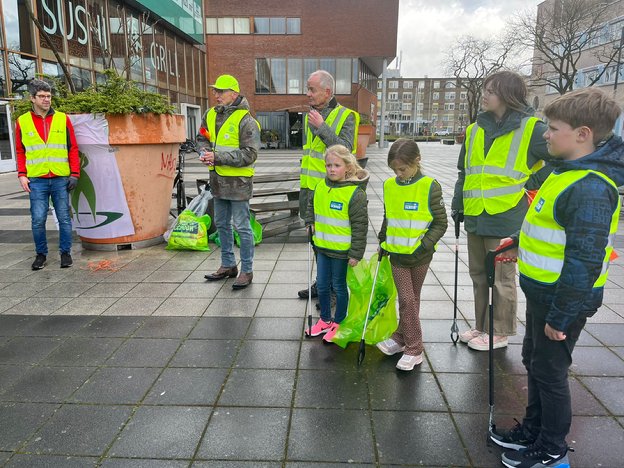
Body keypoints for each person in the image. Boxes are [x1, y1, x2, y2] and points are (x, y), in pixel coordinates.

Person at [490, 89, 624, 468]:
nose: (546, 135)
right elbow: (552, 226)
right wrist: (517, 240)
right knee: (534, 360)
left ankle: (551, 447)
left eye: (553, 128)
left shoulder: (590, 187)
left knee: (550, 372)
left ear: (582, 134)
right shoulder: (565, 172)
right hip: (543, 292)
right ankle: (533, 429)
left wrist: (561, 318)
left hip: (562, 299)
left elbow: (584, 259)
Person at [451, 70, 551, 351]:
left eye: (490, 91)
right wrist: (458, 204)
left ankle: (500, 331)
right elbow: (464, 172)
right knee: (479, 275)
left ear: (508, 95)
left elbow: (560, 158)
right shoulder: (473, 130)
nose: (484, 95)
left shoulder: (532, 128)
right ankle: (482, 326)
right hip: (475, 214)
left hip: (507, 215)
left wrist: (531, 182)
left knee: (502, 278)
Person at [376, 139, 448, 371]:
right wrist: (382, 240)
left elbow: (441, 223)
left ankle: (400, 337)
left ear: (417, 160)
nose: (399, 174)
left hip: (420, 256)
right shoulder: (389, 185)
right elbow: (389, 217)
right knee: (407, 300)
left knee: (412, 299)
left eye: (403, 169)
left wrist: (423, 245)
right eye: (394, 170)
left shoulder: (430, 186)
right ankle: (414, 348)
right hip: (397, 255)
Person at [297, 70, 360, 300]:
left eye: (312, 89)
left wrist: (322, 127)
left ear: (327, 91)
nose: (308, 94)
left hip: (333, 191)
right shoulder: (310, 116)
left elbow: (345, 151)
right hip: (310, 190)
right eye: (307, 88)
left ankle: (334, 289)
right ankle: (321, 284)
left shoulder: (347, 116)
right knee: (316, 241)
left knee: (333, 243)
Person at [198, 74, 260, 290]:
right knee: (222, 224)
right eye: (215, 90)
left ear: (233, 93)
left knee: (242, 227)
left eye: (220, 91)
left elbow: (250, 154)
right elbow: (202, 137)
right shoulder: (210, 114)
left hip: (239, 183)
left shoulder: (246, 120)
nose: (216, 94)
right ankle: (228, 265)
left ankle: (247, 270)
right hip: (218, 181)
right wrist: (204, 151)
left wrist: (217, 157)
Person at [303, 144, 368, 342]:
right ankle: (324, 320)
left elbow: (360, 226)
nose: (331, 169)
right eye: (328, 165)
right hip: (322, 247)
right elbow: (311, 205)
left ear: (348, 167)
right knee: (322, 286)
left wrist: (356, 253)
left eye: (337, 165)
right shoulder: (320, 186)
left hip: (342, 252)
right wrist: (310, 221)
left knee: (339, 287)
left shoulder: (355, 194)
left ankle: (339, 321)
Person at [15, 79, 80, 270]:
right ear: (32, 98)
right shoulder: (23, 121)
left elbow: (72, 147)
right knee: (37, 219)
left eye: (48, 96)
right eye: (42, 96)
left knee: (64, 217)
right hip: (36, 179)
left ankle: (65, 253)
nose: (46, 100)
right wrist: (22, 174)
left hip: (60, 177)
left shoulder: (62, 118)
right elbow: (20, 150)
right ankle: (41, 255)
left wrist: (74, 173)